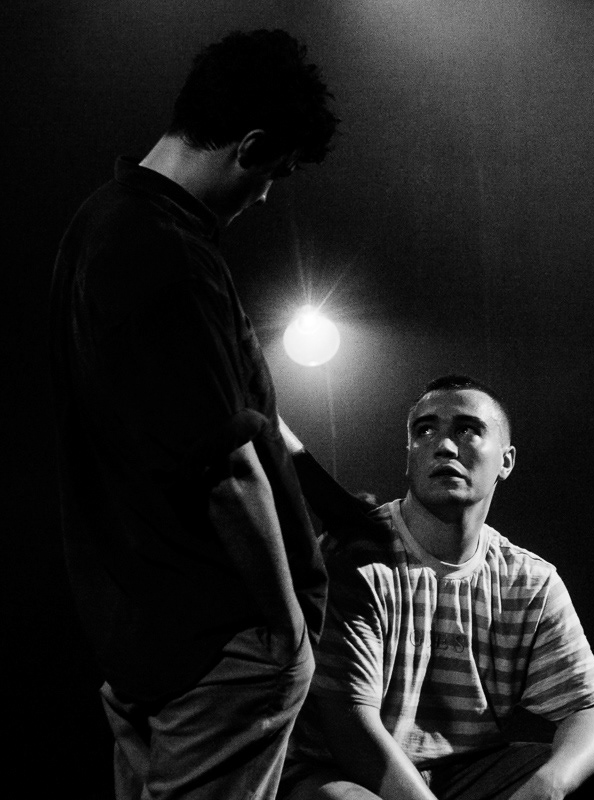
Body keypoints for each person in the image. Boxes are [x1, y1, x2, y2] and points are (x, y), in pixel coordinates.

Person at [50, 30, 339, 800]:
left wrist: (334, 502)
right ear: (251, 146)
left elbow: (237, 410)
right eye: (274, 173)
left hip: (145, 637)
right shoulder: (165, 251)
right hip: (220, 642)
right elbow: (226, 467)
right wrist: (285, 630)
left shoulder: (98, 225)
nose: (267, 196)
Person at [281, 375, 594, 800]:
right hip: (347, 770)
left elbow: (591, 710)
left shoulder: (527, 579)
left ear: (506, 460)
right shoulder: (360, 554)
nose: (444, 446)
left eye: (466, 430)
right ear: (409, 458)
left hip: (467, 771)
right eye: (424, 431)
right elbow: (349, 724)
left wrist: (548, 787)